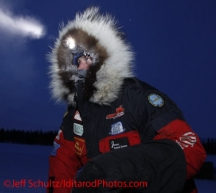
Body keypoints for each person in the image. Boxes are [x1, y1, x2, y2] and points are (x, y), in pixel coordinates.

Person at [47, 7, 206, 193]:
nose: (82, 66)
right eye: (76, 60)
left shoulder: (138, 98)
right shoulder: (74, 114)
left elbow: (191, 148)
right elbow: (61, 165)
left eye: (88, 57)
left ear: (106, 57)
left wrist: (118, 168)